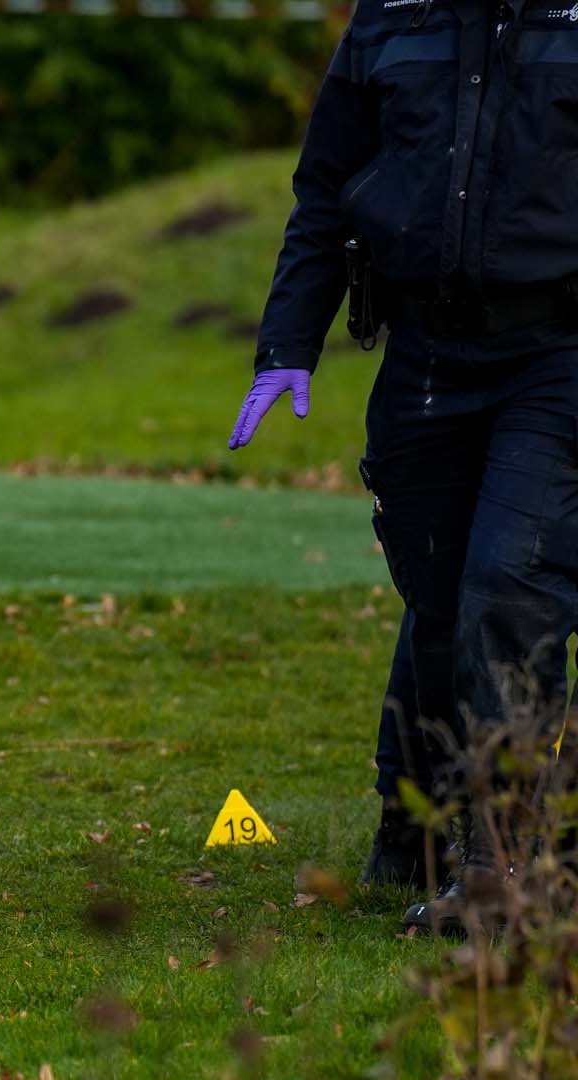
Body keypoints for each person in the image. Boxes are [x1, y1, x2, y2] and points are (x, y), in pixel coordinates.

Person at [230, 0, 578, 934]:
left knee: (508, 590)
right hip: (425, 356)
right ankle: (416, 821)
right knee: (440, 598)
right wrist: (288, 343)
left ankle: (505, 872)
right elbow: (326, 183)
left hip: (559, 352)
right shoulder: (387, 15)